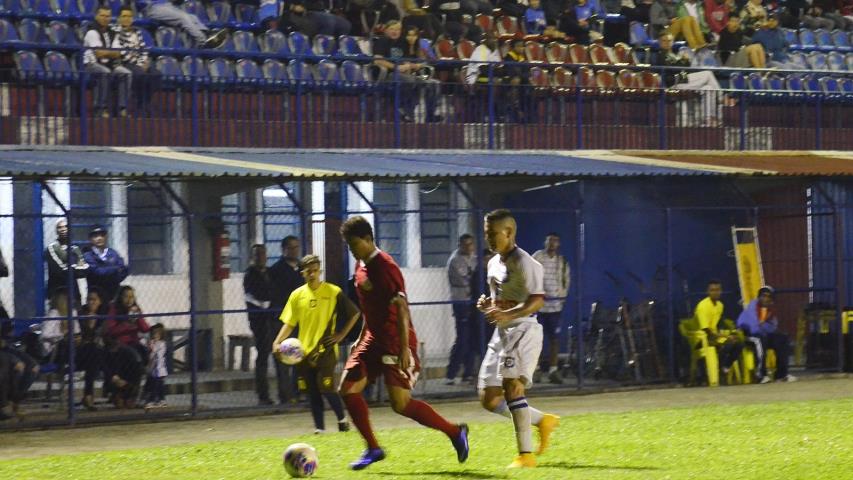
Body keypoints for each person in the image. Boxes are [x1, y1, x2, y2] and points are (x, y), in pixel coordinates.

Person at [338, 216, 469, 470]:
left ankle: (455, 432)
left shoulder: (385, 267)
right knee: (347, 388)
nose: (352, 250)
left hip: (395, 340)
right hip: (372, 338)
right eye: (349, 246)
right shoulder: (360, 265)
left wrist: (404, 349)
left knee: (400, 404)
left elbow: (400, 308)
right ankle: (373, 448)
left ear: (368, 239)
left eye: (354, 244)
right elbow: (371, 306)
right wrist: (360, 336)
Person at [476, 209, 560, 469]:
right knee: (488, 398)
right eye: (486, 233)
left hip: (523, 330)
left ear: (509, 232)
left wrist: (505, 313)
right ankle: (541, 421)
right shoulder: (493, 263)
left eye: (493, 234)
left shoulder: (526, 263)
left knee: (512, 387)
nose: (488, 238)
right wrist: (487, 304)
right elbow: (499, 299)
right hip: (501, 332)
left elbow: (536, 301)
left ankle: (525, 455)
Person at [272, 255, 360, 434]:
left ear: (320, 271)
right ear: (302, 273)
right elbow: (290, 323)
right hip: (302, 351)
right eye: (308, 271)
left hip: (325, 349)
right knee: (313, 391)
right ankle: (320, 428)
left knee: (326, 387)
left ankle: (342, 419)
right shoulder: (297, 296)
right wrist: (277, 341)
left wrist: (342, 334)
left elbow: (355, 313)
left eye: (315, 270)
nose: (312, 274)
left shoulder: (333, 292)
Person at [653, 33, 729, 126]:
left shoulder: (673, 54)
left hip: (684, 81)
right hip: (674, 84)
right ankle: (721, 97)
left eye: (669, 41)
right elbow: (673, 69)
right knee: (708, 74)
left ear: (673, 42)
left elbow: (684, 68)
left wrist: (684, 61)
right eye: (664, 41)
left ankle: (708, 118)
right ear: (660, 42)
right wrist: (684, 60)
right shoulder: (661, 55)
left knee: (708, 88)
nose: (667, 43)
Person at [372, 22, 442, 123]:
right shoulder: (382, 41)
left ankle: (431, 115)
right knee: (409, 80)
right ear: (386, 30)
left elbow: (407, 62)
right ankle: (405, 111)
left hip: (407, 75)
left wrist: (414, 66)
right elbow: (378, 60)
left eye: (397, 29)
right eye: (392, 29)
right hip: (388, 75)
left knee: (433, 83)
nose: (395, 32)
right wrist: (396, 67)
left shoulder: (402, 43)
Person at [268, 236, 304, 405]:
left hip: (299, 320)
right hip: (282, 320)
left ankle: (299, 392)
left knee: (299, 357)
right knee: (283, 359)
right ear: (284, 249)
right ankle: (286, 396)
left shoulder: (301, 270)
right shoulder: (276, 270)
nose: (295, 251)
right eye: (291, 248)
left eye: (297, 247)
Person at [737, 286, 797, 384]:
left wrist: (763, 325)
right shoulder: (753, 305)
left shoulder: (770, 311)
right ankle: (760, 375)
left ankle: (781, 375)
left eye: (769, 297)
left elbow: (773, 327)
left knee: (782, 339)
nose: (766, 299)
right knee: (760, 340)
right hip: (747, 335)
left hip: (763, 334)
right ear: (759, 297)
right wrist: (764, 325)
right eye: (763, 296)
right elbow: (753, 327)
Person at [532, 233, 570, 385]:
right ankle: (536, 370)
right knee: (536, 340)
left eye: (555, 241)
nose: (552, 244)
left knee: (554, 339)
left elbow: (566, 280)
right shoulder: (537, 257)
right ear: (545, 242)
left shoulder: (562, 261)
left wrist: (561, 296)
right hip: (539, 307)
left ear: (558, 244)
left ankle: (553, 371)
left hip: (555, 307)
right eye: (549, 241)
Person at [243, 244, 278, 406]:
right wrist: (265, 304)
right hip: (259, 320)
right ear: (253, 256)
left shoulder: (270, 273)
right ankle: (263, 394)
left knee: (279, 355)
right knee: (263, 355)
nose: (261, 257)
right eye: (257, 254)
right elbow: (251, 296)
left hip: (272, 318)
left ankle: (285, 392)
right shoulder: (250, 274)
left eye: (263, 253)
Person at [83, 7, 130, 118]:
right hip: (90, 65)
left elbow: (119, 53)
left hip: (109, 64)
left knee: (126, 73)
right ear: (96, 16)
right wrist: (110, 53)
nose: (105, 18)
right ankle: (100, 108)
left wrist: (107, 53)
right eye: (102, 15)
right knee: (104, 71)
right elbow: (99, 54)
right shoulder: (92, 32)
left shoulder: (112, 32)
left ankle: (122, 108)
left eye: (107, 16)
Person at [113, 6, 160, 117]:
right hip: (125, 63)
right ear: (119, 18)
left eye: (129, 16)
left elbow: (143, 50)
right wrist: (138, 64)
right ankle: (139, 105)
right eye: (124, 16)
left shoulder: (137, 32)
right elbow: (121, 52)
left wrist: (143, 62)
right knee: (140, 73)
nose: (127, 19)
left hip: (139, 63)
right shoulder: (115, 31)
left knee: (156, 74)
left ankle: (145, 103)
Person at [445, 234, 478, 385]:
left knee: (472, 339)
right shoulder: (455, 260)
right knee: (462, 339)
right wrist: (474, 278)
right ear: (460, 245)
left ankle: (468, 373)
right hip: (461, 302)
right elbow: (464, 280)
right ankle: (451, 374)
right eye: (465, 245)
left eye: (470, 244)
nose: (468, 247)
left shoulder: (474, 258)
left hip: (473, 302)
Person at [692, 280, 743, 375]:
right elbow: (707, 331)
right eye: (712, 290)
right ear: (708, 292)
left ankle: (725, 366)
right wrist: (727, 337)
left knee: (738, 343)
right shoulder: (702, 306)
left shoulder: (720, 305)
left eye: (718, 290)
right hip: (700, 338)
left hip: (713, 336)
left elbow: (718, 325)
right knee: (728, 344)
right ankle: (718, 370)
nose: (715, 292)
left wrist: (731, 334)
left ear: (721, 291)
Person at [136, 0, 227, 48]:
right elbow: (140, 3)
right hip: (153, 8)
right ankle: (203, 41)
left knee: (192, 17)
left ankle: (206, 32)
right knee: (184, 18)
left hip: (166, 5)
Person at [45, 219, 89, 307]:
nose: (63, 229)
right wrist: (75, 267)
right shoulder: (51, 248)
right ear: (56, 230)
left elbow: (84, 271)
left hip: (74, 292)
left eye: (66, 226)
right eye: (60, 227)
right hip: (57, 292)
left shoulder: (75, 248)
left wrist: (70, 268)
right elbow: (59, 271)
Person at [77, 288, 108, 411]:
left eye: (94, 300)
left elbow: (104, 335)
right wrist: (89, 325)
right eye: (89, 299)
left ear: (100, 301)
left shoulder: (103, 316)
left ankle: (88, 395)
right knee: (93, 351)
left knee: (95, 355)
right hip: (82, 352)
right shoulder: (81, 314)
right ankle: (113, 380)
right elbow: (81, 337)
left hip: (98, 353)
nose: (91, 302)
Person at [83, 224, 129, 305]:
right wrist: (115, 269)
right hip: (95, 297)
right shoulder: (88, 255)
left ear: (106, 237)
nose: (99, 238)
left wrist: (109, 272)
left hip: (114, 295)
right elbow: (97, 272)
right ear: (90, 239)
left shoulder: (113, 252)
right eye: (95, 236)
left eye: (102, 235)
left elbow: (124, 270)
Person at [105, 285, 150, 364]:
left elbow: (145, 329)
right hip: (119, 344)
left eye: (131, 297)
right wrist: (127, 323)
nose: (129, 300)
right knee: (134, 356)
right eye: (126, 296)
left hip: (134, 342)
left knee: (145, 353)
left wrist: (138, 317)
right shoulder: (114, 309)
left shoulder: (135, 310)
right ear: (120, 297)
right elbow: (111, 330)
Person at [101, 333, 144, 408]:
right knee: (119, 404)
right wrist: (113, 377)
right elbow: (105, 369)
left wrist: (128, 382)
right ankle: (117, 396)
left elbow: (138, 370)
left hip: (129, 378)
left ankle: (129, 397)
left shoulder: (128, 353)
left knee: (129, 404)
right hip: (116, 378)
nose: (113, 350)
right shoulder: (105, 353)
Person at [278, 0, 351, 37]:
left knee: (346, 24)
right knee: (328, 21)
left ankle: (338, 53)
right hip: (301, 14)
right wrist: (293, 7)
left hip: (321, 13)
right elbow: (281, 3)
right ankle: (320, 50)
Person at [143, 323, 168, 408]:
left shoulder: (161, 343)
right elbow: (150, 355)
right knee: (155, 384)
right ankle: (158, 399)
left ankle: (155, 400)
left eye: (157, 333)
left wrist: (152, 346)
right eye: (153, 333)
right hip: (153, 368)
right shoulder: (152, 342)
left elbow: (156, 354)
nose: (154, 335)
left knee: (157, 385)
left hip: (158, 368)